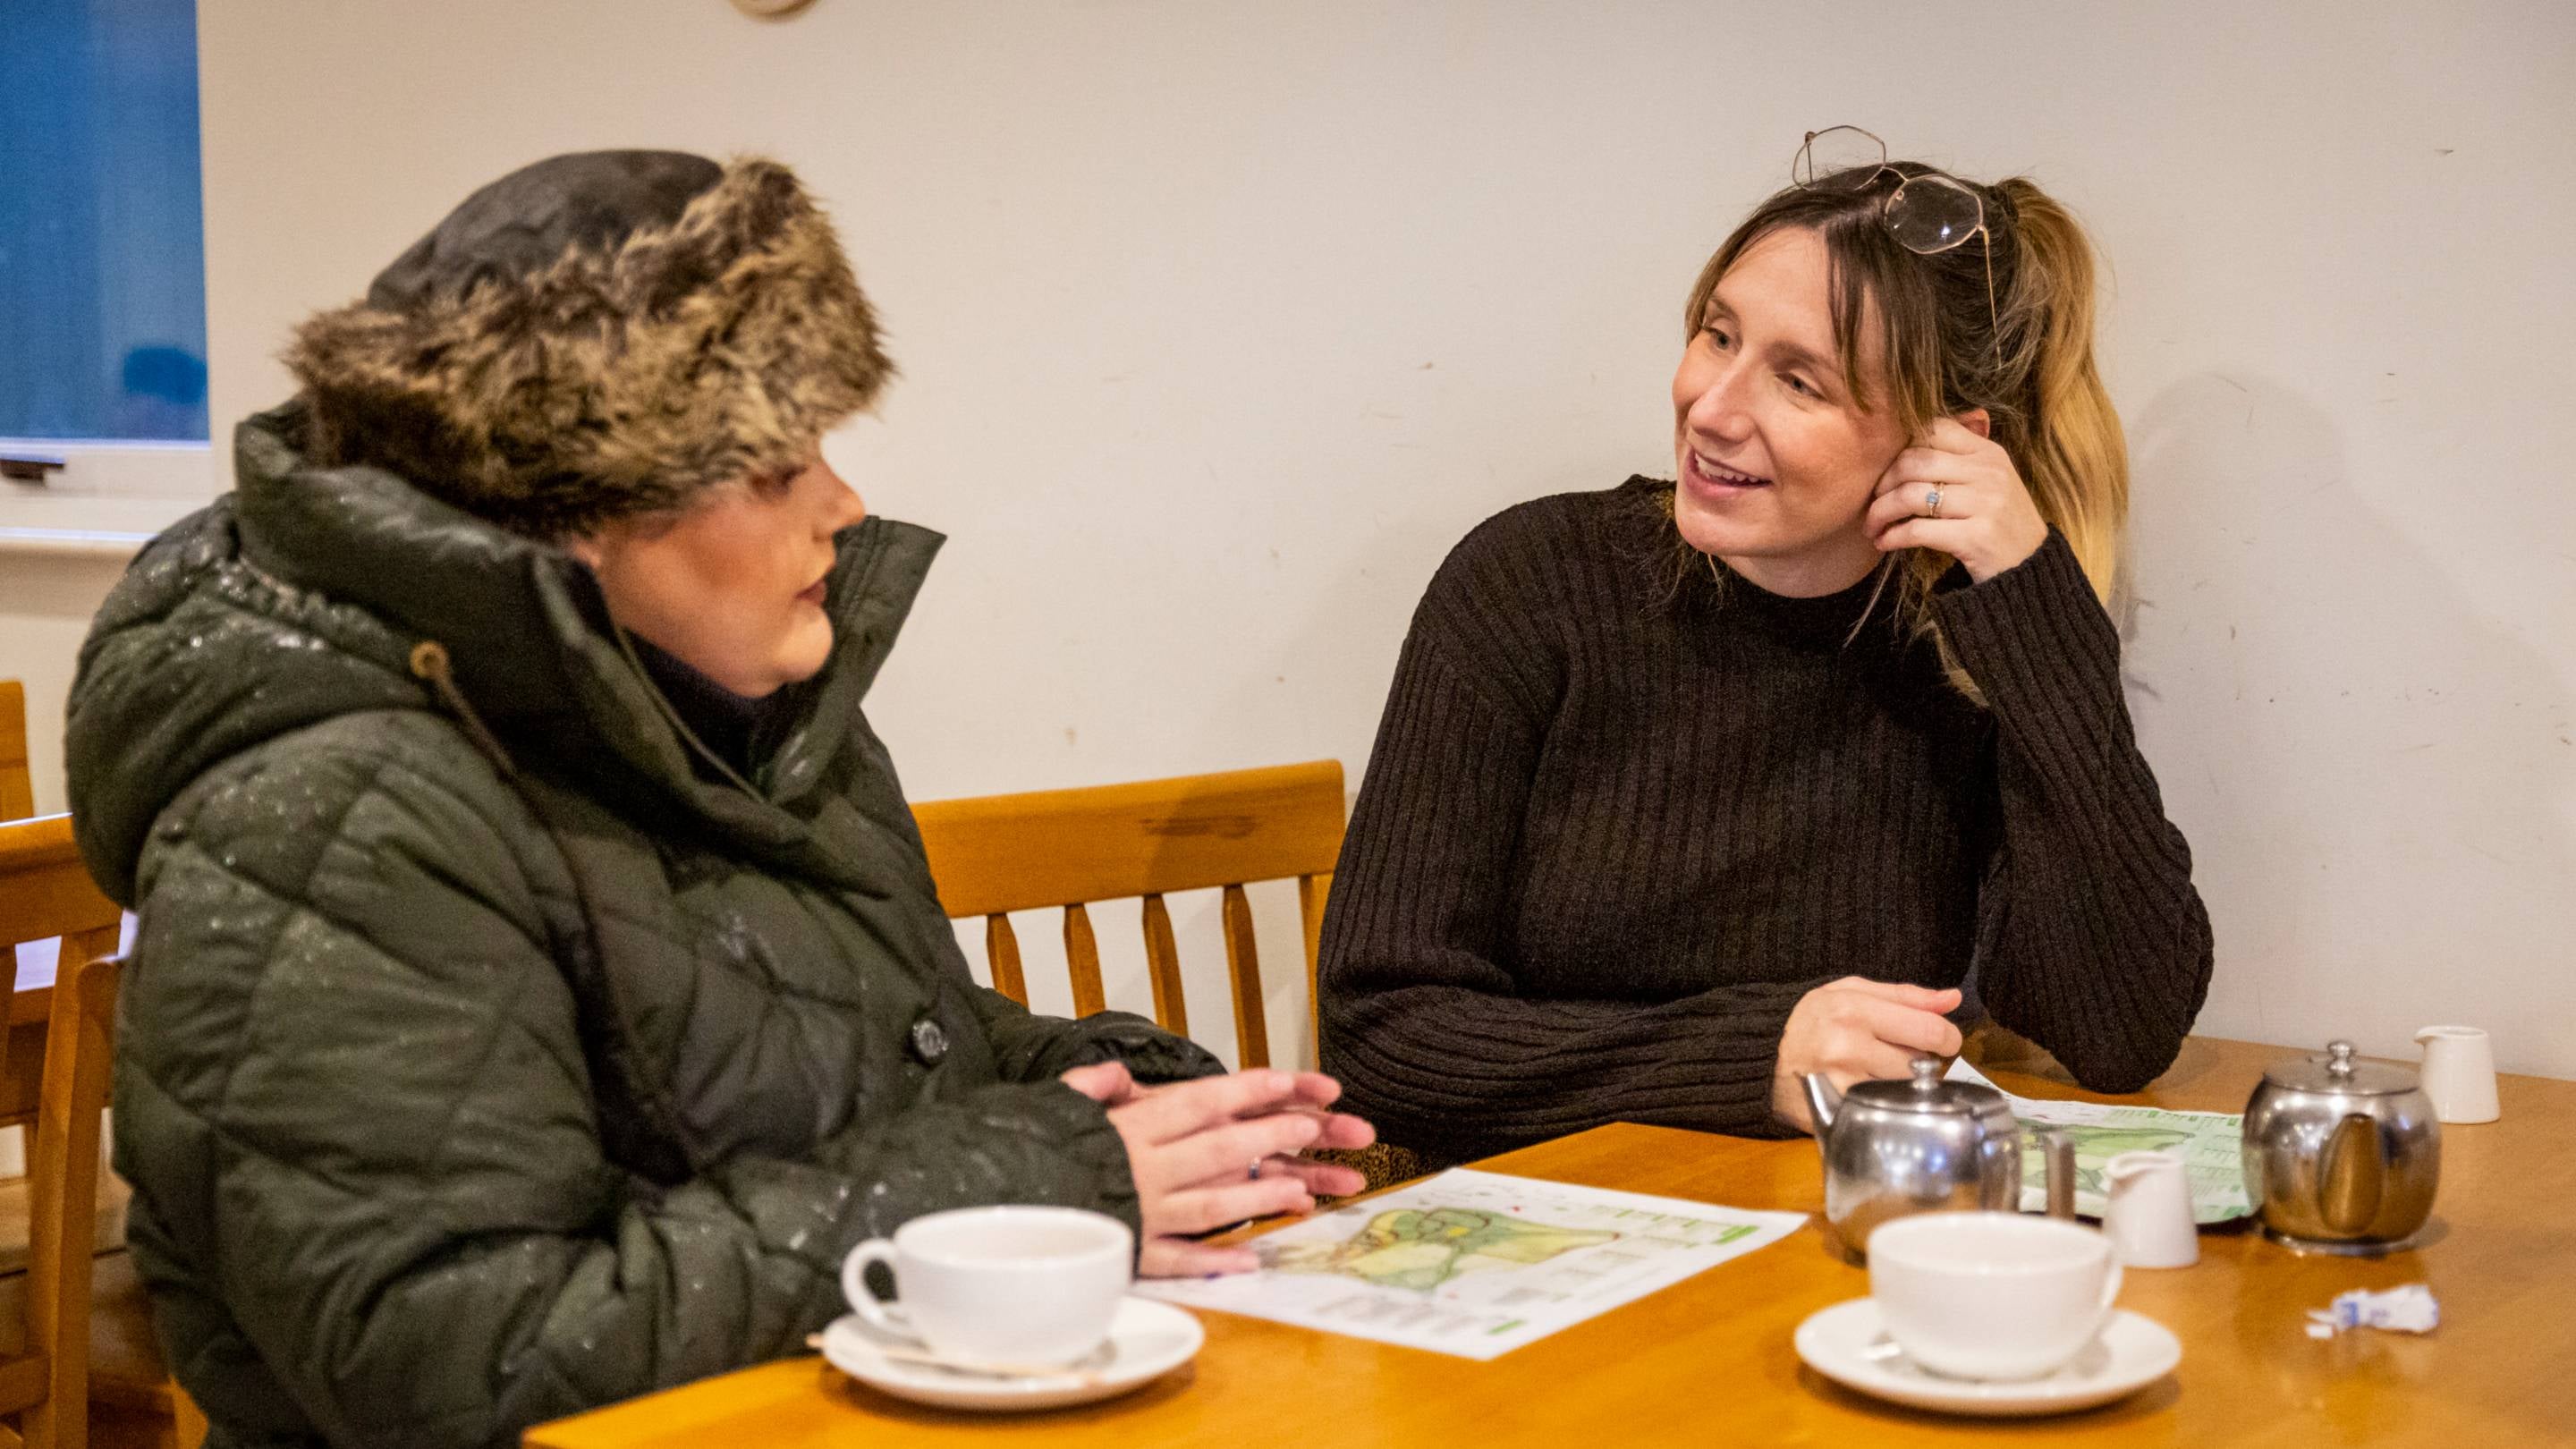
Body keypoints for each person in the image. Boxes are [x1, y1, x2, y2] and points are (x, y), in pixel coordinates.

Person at [66, 150, 1368, 1449]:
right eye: (774, 465)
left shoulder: (737, 691)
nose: (846, 506)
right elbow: (454, 1357)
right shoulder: (333, 809)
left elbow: (830, 1038)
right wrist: (1033, 1177)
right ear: (569, 504)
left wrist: (1118, 1100)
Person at [1317, 128, 2214, 1173]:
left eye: (1801, 382)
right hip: (1532, 1225)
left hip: (1802, 1231)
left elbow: (2119, 1036)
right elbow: (1380, 1038)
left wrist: (2035, 609)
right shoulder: (1531, 583)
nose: (1712, 407)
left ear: (1948, 445)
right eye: (1717, 335)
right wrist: (1752, 1058)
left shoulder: (1969, 648)